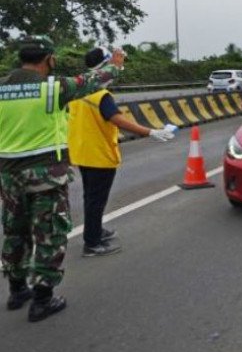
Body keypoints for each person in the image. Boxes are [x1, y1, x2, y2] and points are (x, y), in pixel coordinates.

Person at [0, 36, 124, 322]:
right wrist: (115, 66)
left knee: (15, 231)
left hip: (9, 176)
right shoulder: (53, 88)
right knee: (49, 234)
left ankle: (17, 289)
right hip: (45, 175)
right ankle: (43, 299)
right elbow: (91, 80)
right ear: (49, 60)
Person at [67, 47, 176, 257]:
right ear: (105, 66)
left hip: (82, 152)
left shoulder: (77, 91)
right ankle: (92, 243)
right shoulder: (101, 95)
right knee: (96, 200)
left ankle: (96, 230)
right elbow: (118, 119)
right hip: (99, 155)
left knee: (91, 196)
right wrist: (150, 131)